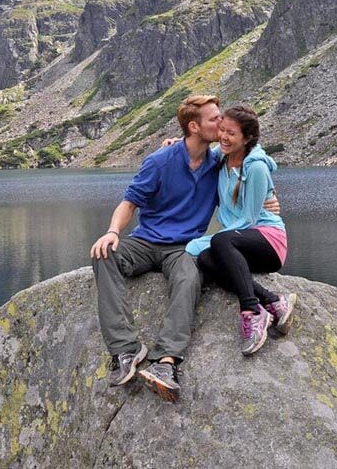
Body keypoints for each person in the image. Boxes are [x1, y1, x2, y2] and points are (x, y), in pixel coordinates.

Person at [89, 94, 279, 403]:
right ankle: (125, 350)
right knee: (103, 254)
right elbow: (130, 202)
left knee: (190, 280)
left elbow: (255, 159)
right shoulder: (160, 160)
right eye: (214, 119)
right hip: (145, 242)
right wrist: (112, 232)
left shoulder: (219, 161)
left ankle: (167, 362)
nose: (222, 123)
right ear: (194, 126)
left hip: (184, 247)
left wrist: (268, 195)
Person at [186, 104, 295, 356]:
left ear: (246, 138)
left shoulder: (255, 167)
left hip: (269, 240)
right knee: (205, 259)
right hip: (238, 242)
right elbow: (192, 151)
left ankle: (252, 311)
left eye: (231, 133)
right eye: (221, 130)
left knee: (216, 244)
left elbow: (248, 220)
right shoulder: (221, 159)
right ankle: (273, 300)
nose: (223, 136)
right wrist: (173, 144)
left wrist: (203, 241)